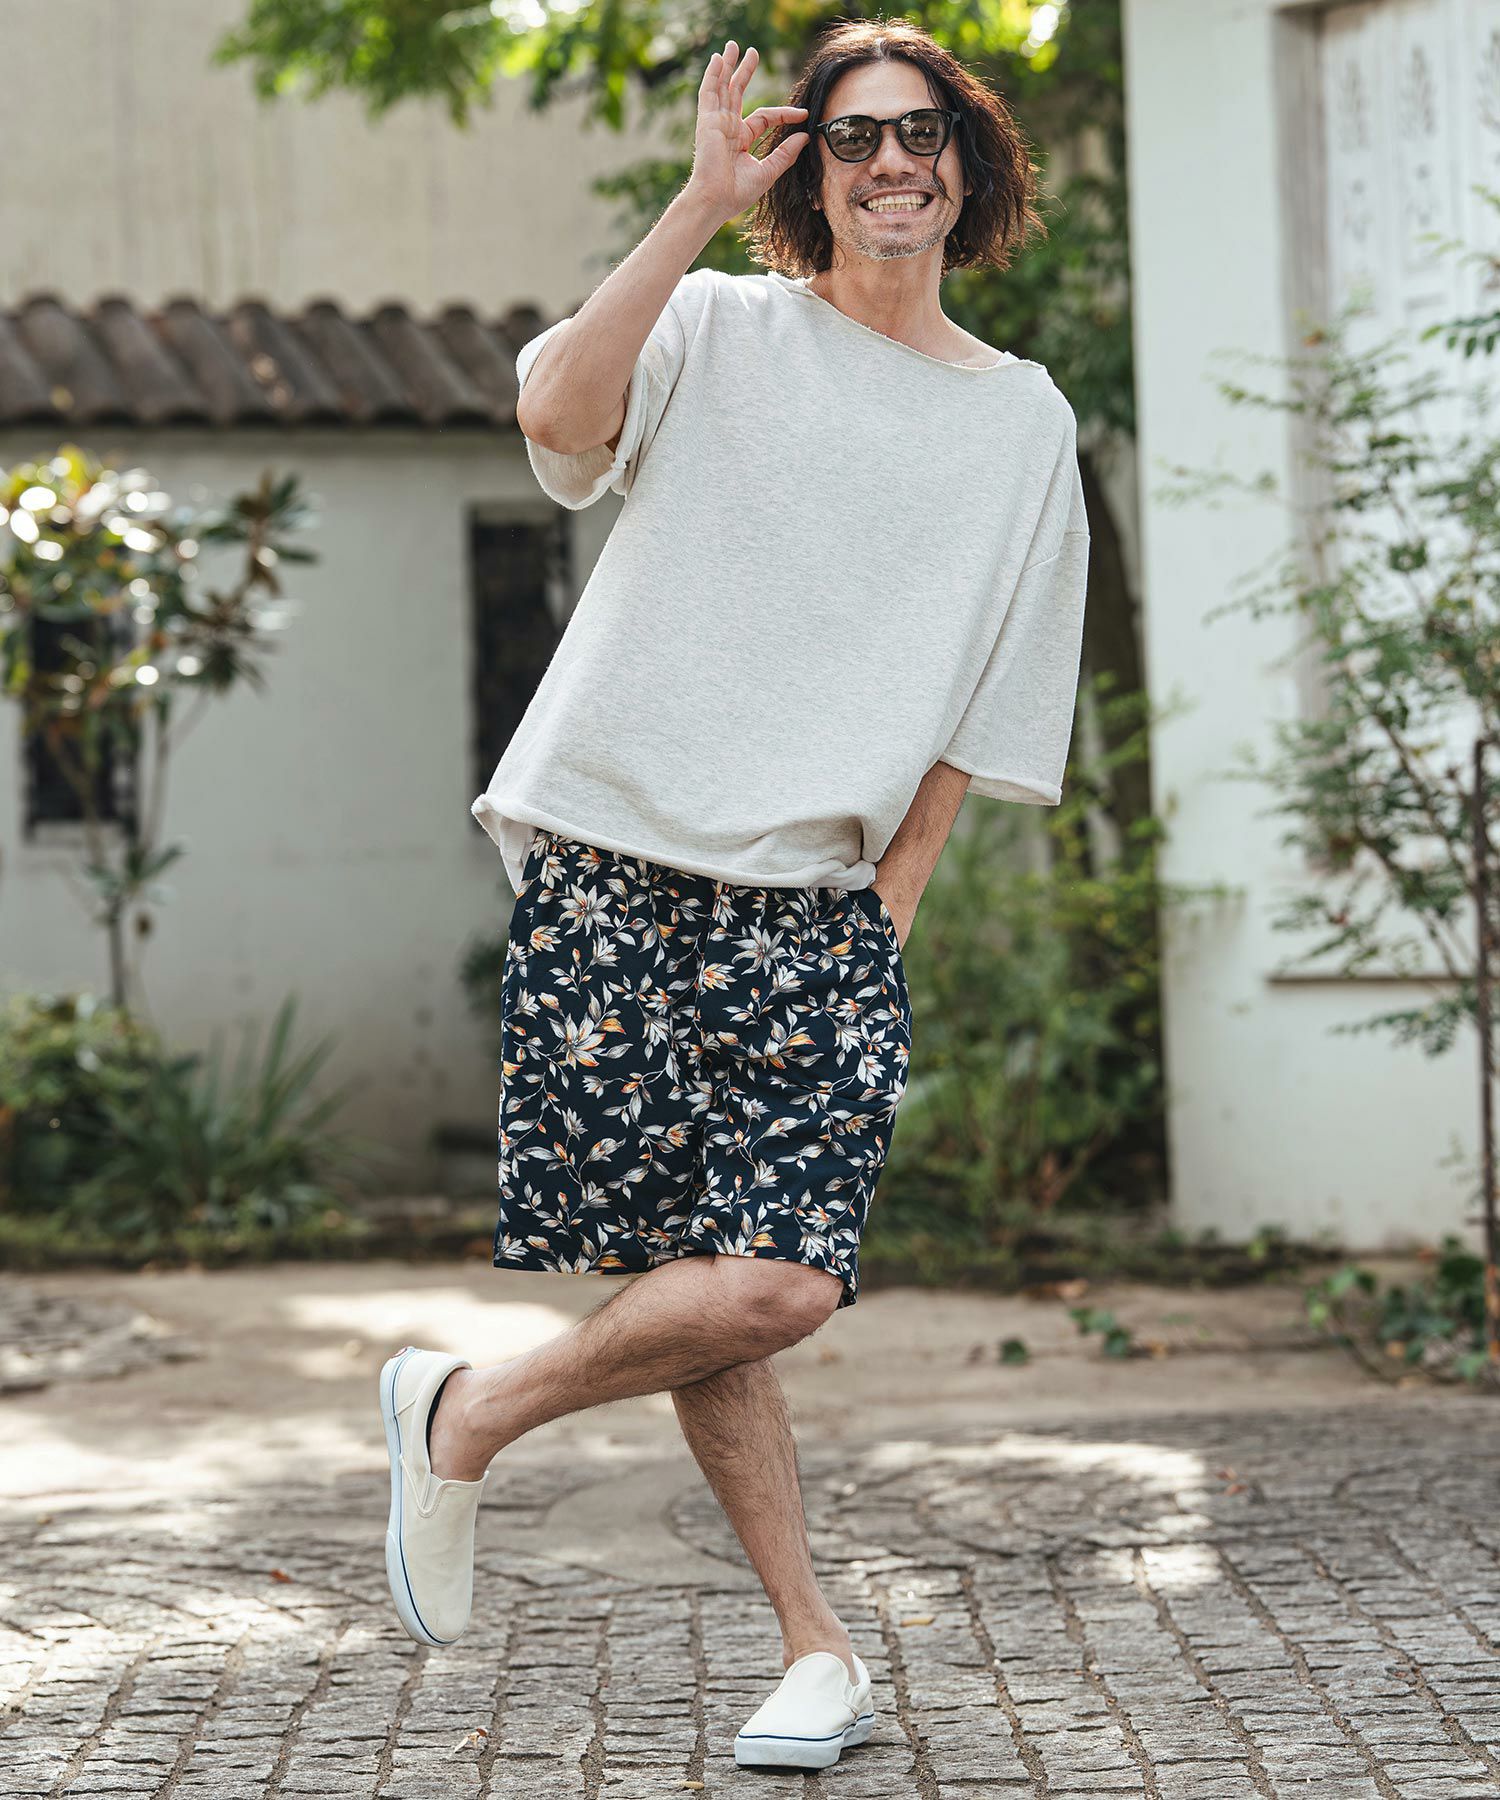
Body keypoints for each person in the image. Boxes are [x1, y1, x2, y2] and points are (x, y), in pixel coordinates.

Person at [382, 19, 1089, 1774]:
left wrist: (891, 905)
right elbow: (555, 418)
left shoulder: (1019, 422)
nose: (891, 162)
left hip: (816, 897)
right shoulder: (716, 324)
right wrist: (695, 205)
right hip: (614, 854)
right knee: (711, 1285)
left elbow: (986, 706)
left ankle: (465, 1414)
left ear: (968, 163)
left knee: (774, 1283)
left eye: (921, 132)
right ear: (810, 172)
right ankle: (815, 1649)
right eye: (852, 138)